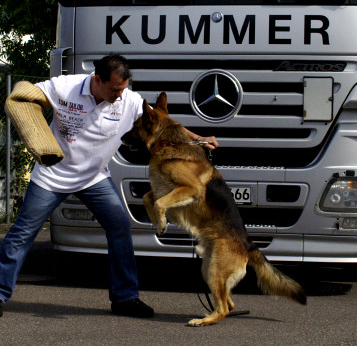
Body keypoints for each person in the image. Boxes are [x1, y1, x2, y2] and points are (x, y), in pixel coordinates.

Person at [0, 54, 218, 318]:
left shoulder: (130, 101)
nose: (119, 94)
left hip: (94, 177)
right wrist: (26, 110)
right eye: (114, 89)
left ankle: (125, 298)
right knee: (22, 233)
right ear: (97, 79)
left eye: (123, 88)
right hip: (52, 175)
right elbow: (29, 97)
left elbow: (166, 123)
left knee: (119, 227)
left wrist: (199, 138)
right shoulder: (65, 87)